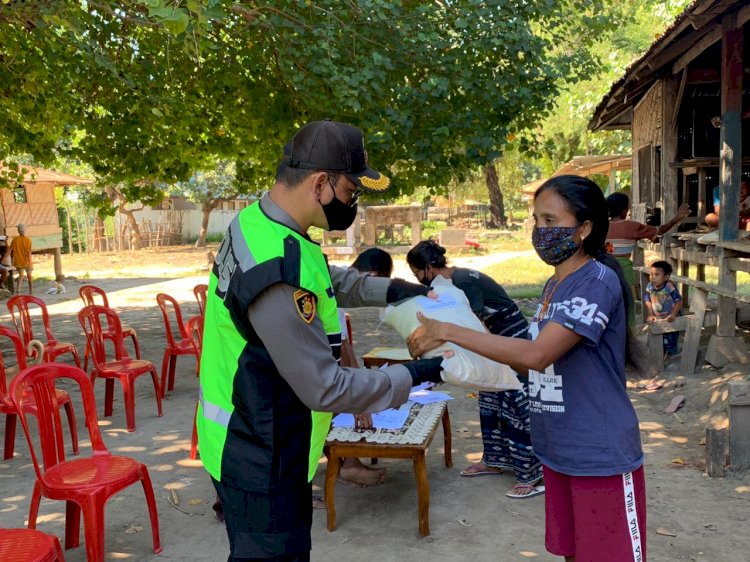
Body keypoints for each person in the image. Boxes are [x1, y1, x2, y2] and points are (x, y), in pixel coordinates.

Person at [196, 120, 446, 562]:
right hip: (260, 453)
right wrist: (412, 376)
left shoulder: (261, 223)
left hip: (254, 434)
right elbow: (325, 387)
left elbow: (320, 278)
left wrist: (392, 290)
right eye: (351, 192)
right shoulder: (276, 271)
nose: (352, 204)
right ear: (320, 183)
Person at [408, 175, 646, 561]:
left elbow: (537, 355)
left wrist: (448, 331)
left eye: (551, 222)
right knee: (572, 552)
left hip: (598, 453)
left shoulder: (596, 282)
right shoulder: (555, 285)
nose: (541, 231)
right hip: (558, 449)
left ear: (584, 228)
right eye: (537, 221)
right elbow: (522, 352)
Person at [405, 239, 543, 499]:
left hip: (511, 340)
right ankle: (494, 460)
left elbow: (473, 325)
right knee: (490, 399)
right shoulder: (450, 283)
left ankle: (531, 473)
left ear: (427, 268)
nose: (419, 279)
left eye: (417, 274)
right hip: (490, 343)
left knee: (515, 402)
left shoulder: (462, 282)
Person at [336, 248, 394, 489]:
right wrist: (358, 396)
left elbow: (344, 343)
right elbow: (338, 352)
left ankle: (345, 462)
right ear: (371, 276)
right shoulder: (333, 291)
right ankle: (349, 465)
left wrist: (361, 378)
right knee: (340, 401)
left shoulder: (338, 288)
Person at [644, 260, 682, 357]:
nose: (653, 277)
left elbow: (678, 301)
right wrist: (650, 314)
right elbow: (647, 300)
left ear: (666, 277)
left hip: (671, 316)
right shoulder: (650, 286)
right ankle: (659, 352)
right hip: (658, 316)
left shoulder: (669, 287)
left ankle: (671, 353)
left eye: (657, 275)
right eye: (651, 274)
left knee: (671, 336)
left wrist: (673, 315)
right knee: (656, 334)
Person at [10, 224, 33, 295]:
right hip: (26, 261)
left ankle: (18, 290)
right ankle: (31, 291)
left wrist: (11, 261)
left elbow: (11, 251)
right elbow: (29, 253)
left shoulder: (15, 240)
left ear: (18, 231)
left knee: (21, 275)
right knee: (29, 276)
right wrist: (30, 263)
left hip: (18, 261)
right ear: (25, 230)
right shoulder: (28, 240)